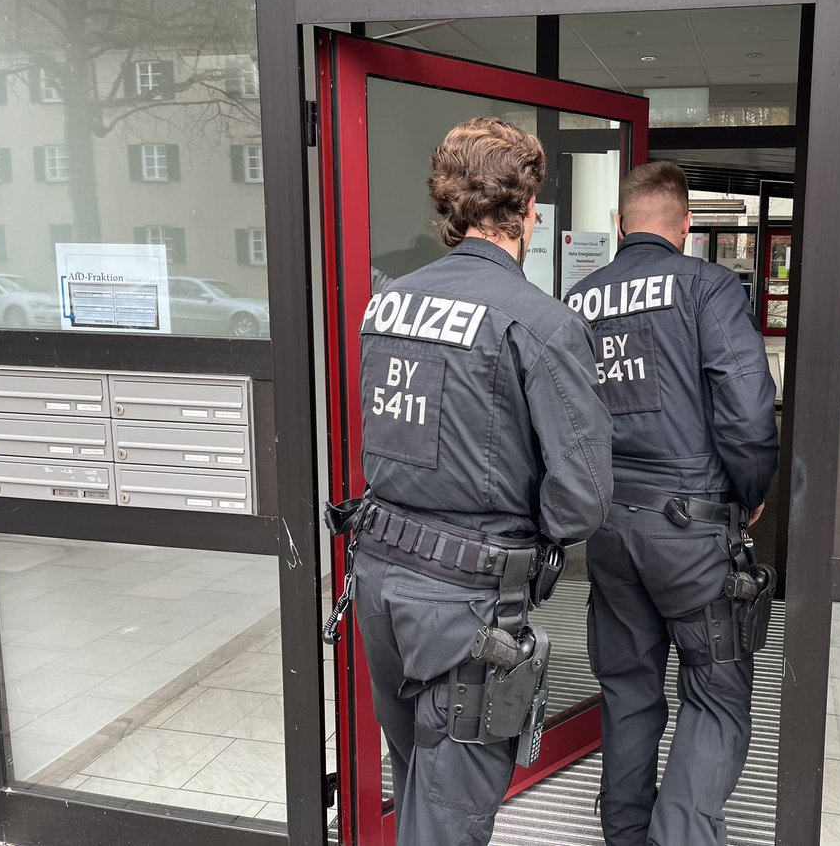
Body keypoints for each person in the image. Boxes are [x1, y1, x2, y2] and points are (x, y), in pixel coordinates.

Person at [334, 117, 614, 846]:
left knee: (422, 786)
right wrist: (538, 532)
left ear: (448, 206)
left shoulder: (388, 304)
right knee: (450, 818)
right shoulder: (540, 321)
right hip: (466, 608)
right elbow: (583, 497)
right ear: (529, 211)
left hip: (382, 582)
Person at [564, 161, 780, 846]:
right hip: (691, 531)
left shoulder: (580, 299)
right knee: (716, 697)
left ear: (619, 226)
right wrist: (752, 493)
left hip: (609, 529)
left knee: (629, 690)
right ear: (686, 226)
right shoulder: (709, 287)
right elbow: (747, 410)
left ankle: (625, 833)